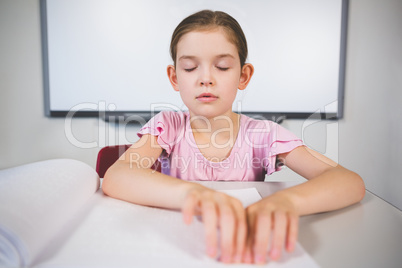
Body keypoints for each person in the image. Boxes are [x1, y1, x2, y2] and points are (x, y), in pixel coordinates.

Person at [102, 10, 365, 264]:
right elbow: (117, 176)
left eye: (222, 67)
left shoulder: (263, 135)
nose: (206, 79)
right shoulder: (167, 125)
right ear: (174, 77)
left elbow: (348, 181)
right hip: (183, 246)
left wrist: (288, 201)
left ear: (243, 75)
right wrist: (194, 194)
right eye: (190, 67)